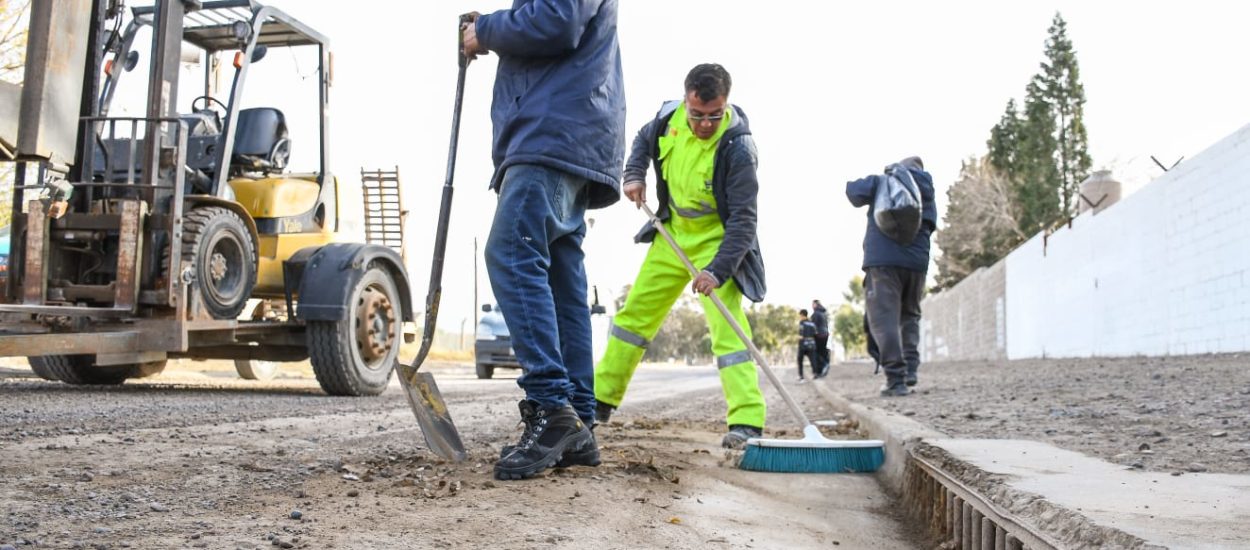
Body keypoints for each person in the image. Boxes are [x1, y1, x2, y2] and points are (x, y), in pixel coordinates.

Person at [461, 0, 626, 480]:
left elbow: (558, 19)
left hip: (553, 132)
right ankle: (576, 419)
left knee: (510, 253)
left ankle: (552, 408)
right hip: (572, 132)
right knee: (560, 282)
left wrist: (485, 30)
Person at [593, 63, 768, 449]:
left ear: (726, 105)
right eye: (697, 115)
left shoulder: (739, 148)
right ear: (687, 101)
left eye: (714, 116)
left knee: (729, 329)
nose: (705, 123)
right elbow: (641, 141)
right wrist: (634, 175)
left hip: (716, 241)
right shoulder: (666, 118)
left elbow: (744, 221)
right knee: (633, 318)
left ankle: (747, 420)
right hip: (671, 234)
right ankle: (599, 400)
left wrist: (717, 272)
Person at [845, 157, 937, 397]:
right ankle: (910, 370)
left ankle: (895, 378)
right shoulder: (927, 190)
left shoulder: (883, 181)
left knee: (884, 319)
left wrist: (880, 176)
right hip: (917, 262)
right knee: (910, 316)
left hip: (883, 261)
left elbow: (852, 192)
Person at [796, 309, 818, 383]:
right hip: (812, 344)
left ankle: (801, 377)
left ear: (802, 315)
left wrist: (798, 337)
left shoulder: (802, 323)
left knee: (800, 360)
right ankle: (815, 374)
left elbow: (801, 335)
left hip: (803, 344)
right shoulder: (812, 323)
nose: (800, 317)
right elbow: (816, 333)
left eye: (800, 315)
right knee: (813, 360)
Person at [810, 299, 830, 377]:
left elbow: (813, 326)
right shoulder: (824, 313)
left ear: (816, 304)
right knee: (822, 352)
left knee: (815, 353)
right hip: (825, 334)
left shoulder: (815, 314)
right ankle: (823, 369)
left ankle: (822, 368)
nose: (812, 306)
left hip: (818, 335)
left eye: (813, 304)